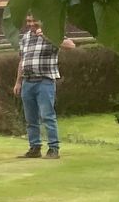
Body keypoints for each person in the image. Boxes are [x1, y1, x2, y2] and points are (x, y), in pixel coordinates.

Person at [12, 14, 79, 159]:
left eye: (34, 20)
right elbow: (22, 61)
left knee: (47, 116)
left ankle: (53, 148)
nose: (31, 24)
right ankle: (34, 148)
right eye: (28, 21)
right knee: (30, 118)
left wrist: (47, 36)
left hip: (44, 81)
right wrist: (18, 82)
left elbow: (71, 45)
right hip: (27, 81)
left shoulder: (52, 34)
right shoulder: (25, 38)